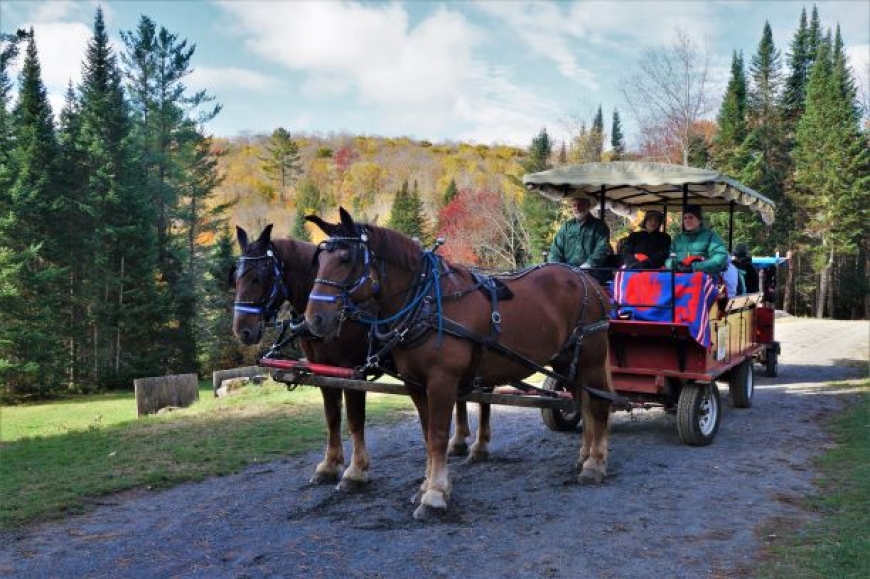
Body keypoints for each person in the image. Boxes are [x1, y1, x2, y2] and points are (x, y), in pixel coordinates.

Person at [548, 197, 611, 281]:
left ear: (588, 206)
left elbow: (602, 249)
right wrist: (557, 267)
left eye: (580, 205)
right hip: (568, 271)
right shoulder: (567, 226)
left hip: (592, 272)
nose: (577, 208)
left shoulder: (600, 226)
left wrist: (588, 264)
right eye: (574, 205)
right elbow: (556, 249)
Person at [665, 205, 729, 274]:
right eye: (685, 218)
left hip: (704, 276)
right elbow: (669, 258)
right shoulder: (678, 238)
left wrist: (695, 267)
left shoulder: (711, 236)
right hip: (680, 277)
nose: (687, 220)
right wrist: (675, 265)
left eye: (691, 217)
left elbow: (720, 257)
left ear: (699, 220)